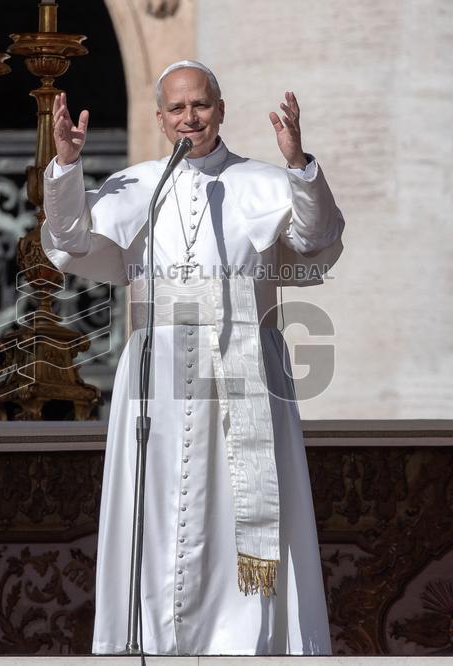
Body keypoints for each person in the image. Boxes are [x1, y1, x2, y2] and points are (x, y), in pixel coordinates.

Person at [40, 60, 344, 655]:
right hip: (157, 374)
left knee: (240, 511)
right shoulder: (138, 186)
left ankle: (247, 644)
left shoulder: (263, 181)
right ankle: (149, 641)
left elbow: (316, 239)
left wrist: (298, 165)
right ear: (159, 118)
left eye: (200, 105)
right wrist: (68, 166)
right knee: (154, 509)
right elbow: (70, 240)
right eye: (176, 108)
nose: (190, 118)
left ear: (221, 110)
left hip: (246, 369)